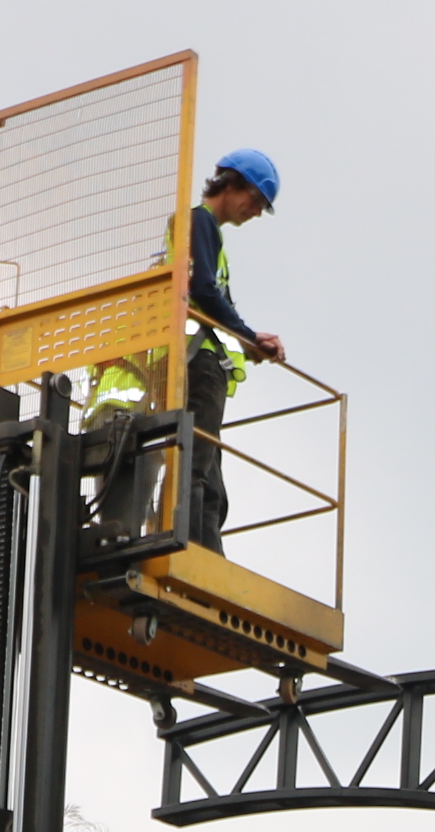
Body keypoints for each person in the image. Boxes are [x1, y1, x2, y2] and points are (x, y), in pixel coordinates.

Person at [81, 150, 286, 553]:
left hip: (200, 364)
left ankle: (205, 553)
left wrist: (246, 337)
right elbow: (204, 290)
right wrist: (247, 336)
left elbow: (208, 294)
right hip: (199, 365)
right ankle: (188, 550)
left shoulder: (205, 232)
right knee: (194, 467)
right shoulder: (197, 222)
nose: (256, 212)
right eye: (257, 201)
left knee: (208, 474)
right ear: (233, 184)